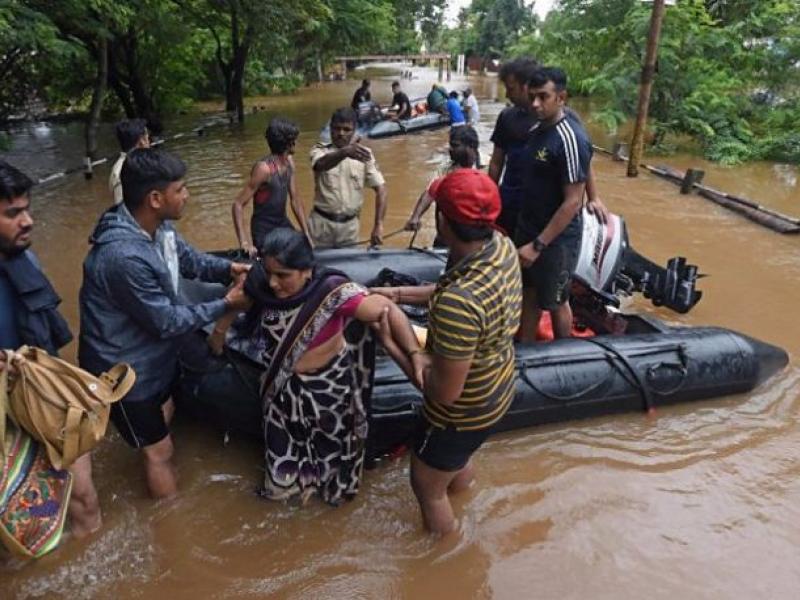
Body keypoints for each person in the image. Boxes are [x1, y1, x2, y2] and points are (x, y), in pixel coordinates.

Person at [207, 228, 424, 505]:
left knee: (331, 467)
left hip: (327, 396)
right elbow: (226, 324)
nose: (274, 283)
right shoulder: (261, 287)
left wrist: (414, 353)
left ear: (307, 271)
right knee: (281, 475)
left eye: (283, 275)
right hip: (281, 398)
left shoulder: (332, 295)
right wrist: (223, 323)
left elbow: (386, 310)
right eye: (270, 272)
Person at [79, 147, 250, 499]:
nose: (187, 195)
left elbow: (190, 262)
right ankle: (169, 521)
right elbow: (167, 321)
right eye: (181, 189)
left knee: (163, 417)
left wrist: (229, 269)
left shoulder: (160, 228)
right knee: (161, 453)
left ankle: (147, 437)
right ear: (156, 198)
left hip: (152, 355)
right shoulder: (123, 257)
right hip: (124, 371)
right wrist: (226, 304)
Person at [372, 169, 522, 534]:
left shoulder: (459, 303)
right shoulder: (501, 247)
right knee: (456, 459)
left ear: (442, 219)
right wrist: (399, 295)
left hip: (462, 411)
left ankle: (448, 557)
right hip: (499, 386)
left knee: (426, 485)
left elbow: (443, 393)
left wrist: (394, 343)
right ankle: (463, 495)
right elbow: (450, 287)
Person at [0, 160, 101, 539]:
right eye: (13, 213)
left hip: (44, 394)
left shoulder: (24, 257)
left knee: (84, 497)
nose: (28, 221)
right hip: (4, 413)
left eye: (27, 209)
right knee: (16, 525)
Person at [489, 57, 607, 235]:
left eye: (511, 89)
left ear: (525, 86)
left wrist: (594, 197)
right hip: (512, 202)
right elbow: (497, 162)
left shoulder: (564, 120)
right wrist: (490, 197)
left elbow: (582, 161)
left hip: (546, 209)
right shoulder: (508, 118)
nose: (507, 94)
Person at [516, 67, 592, 342]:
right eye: (532, 97)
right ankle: (524, 347)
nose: (535, 104)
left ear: (561, 98)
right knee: (530, 293)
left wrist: (538, 245)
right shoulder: (536, 131)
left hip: (556, 240)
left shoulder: (571, 139)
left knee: (557, 300)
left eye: (543, 97)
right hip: (529, 227)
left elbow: (572, 202)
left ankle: (565, 353)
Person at [231, 117, 312, 257]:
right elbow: (238, 204)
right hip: (264, 230)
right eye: (295, 140)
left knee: (303, 251)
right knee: (282, 260)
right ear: (288, 143)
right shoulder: (264, 169)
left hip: (282, 223)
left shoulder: (289, 163)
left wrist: (307, 234)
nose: (297, 143)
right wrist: (244, 243)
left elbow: (296, 200)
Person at [309, 108, 387, 248]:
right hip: (320, 226)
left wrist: (378, 225)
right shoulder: (320, 150)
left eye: (346, 129)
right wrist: (345, 152)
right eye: (337, 128)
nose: (341, 133)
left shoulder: (364, 155)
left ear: (354, 131)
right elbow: (320, 165)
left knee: (349, 268)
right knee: (315, 268)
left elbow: (381, 189)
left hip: (350, 229)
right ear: (331, 129)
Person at [404, 125, 479, 234]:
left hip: (473, 234)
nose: (450, 149)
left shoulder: (485, 168)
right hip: (446, 234)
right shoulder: (445, 168)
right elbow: (430, 193)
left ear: (470, 147)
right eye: (450, 145)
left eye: (455, 145)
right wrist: (415, 217)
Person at [109, 118, 150, 205]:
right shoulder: (122, 171)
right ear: (142, 141)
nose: (149, 142)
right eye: (147, 138)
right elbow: (121, 206)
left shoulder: (140, 164)